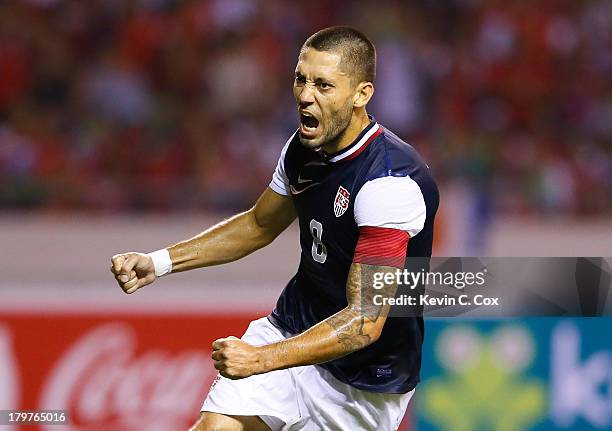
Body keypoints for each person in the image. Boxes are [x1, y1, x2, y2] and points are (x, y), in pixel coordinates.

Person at [110, 26, 438, 431]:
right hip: (291, 329)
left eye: (323, 85)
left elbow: (364, 322)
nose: (305, 95)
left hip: (363, 382)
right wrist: (158, 262)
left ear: (361, 94)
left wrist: (260, 359)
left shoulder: (389, 184)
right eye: (301, 79)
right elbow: (258, 224)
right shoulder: (302, 150)